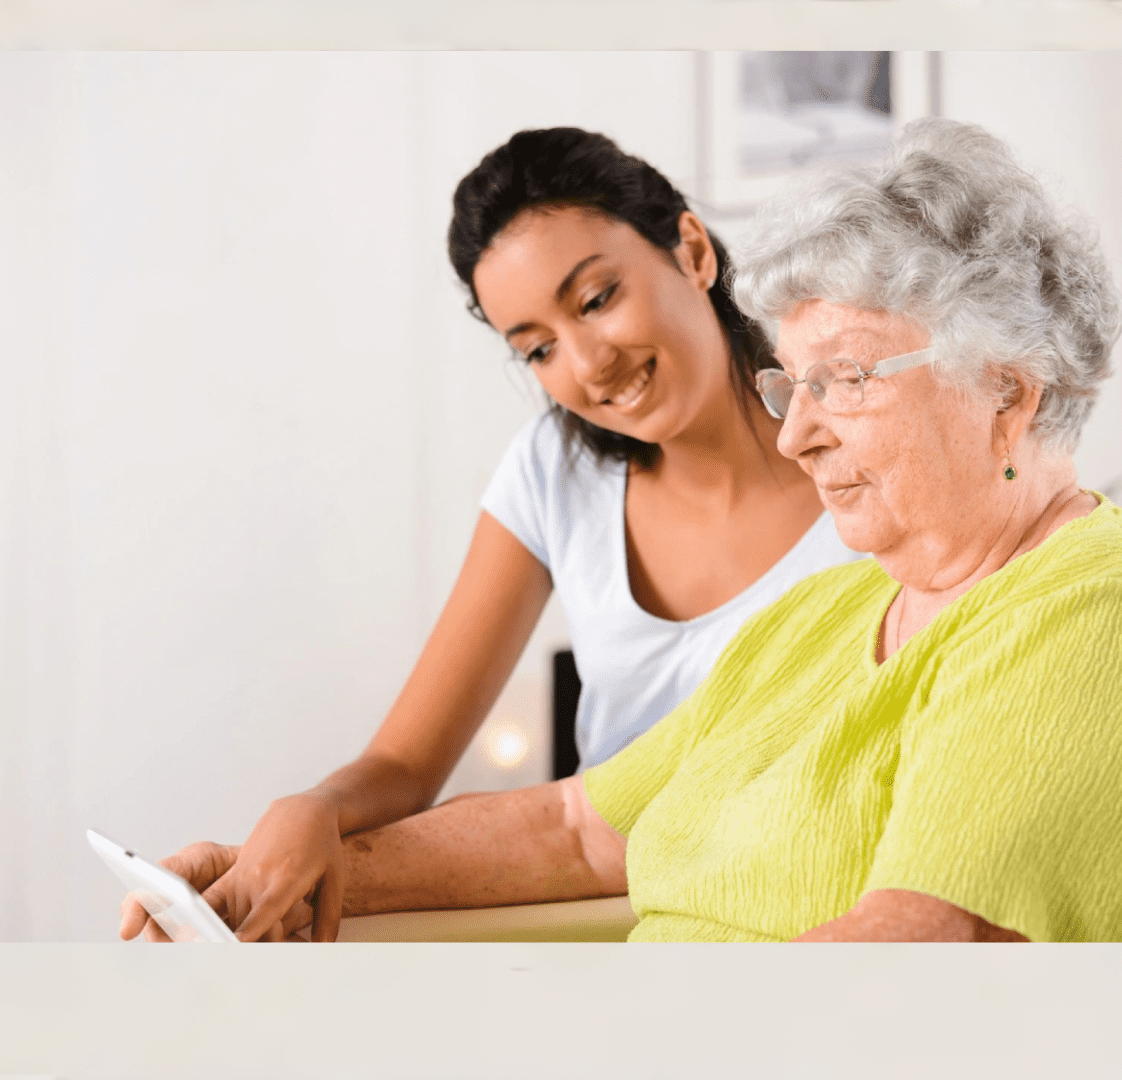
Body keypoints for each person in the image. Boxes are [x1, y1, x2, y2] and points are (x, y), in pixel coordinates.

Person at [123, 117, 1122, 943]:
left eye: (844, 382)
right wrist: (253, 879)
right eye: (795, 387)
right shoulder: (840, 607)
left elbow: (920, 968)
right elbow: (585, 830)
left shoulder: (1090, 614)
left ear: (1009, 392)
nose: (797, 437)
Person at [121, 128, 860, 942]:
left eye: (596, 300)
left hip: (795, 896)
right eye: (539, 348)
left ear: (689, 249)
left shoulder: (866, 458)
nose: (586, 364)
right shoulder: (555, 471)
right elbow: (407, 764)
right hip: (592, 893)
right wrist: (307, 819)